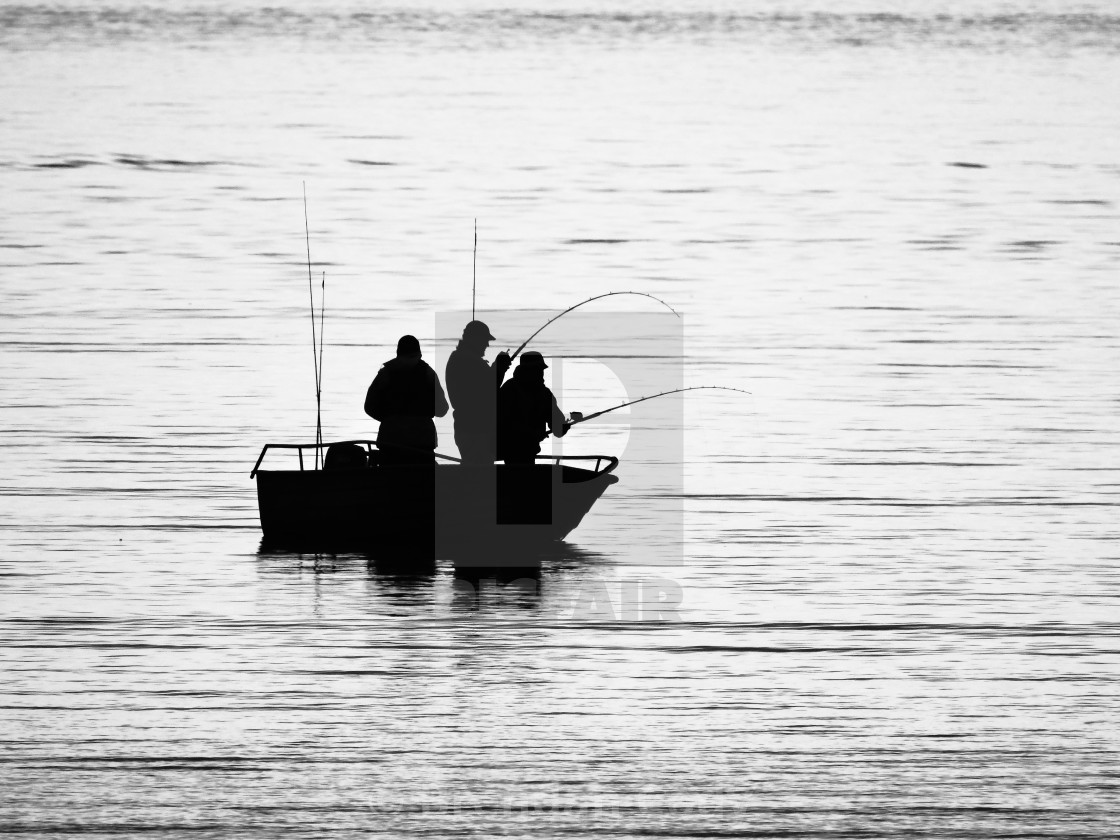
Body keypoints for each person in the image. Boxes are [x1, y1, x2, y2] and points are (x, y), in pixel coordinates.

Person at [364, 335, 449, 465]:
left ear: (398, 352)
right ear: (419, 353)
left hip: (390, 441)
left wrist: (390, 420)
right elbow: (442, 409)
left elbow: (369, 406)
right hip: (422, 443)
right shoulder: (428, 373)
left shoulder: (385, 372)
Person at [444, 320, 511, 464]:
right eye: (485, 340)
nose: (487, 344)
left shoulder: (462, 358)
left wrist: (498, 368)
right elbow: (487, 390)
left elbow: (486, 389)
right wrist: (499, 368)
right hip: (474, 429)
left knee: (477, 469)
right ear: (474, 339)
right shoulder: (467, 360)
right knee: (479, 472)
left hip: (471, 427)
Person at [497, 351, 570, 465]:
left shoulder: (545, 394)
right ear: (525, 370)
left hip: (530, 451)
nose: (540, 373)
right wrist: (530, 433)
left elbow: (557, 428)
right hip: (510, 450)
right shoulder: (510, 389)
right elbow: (502, 423)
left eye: (541, 370)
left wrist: (562, 426)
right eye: (536, 369)